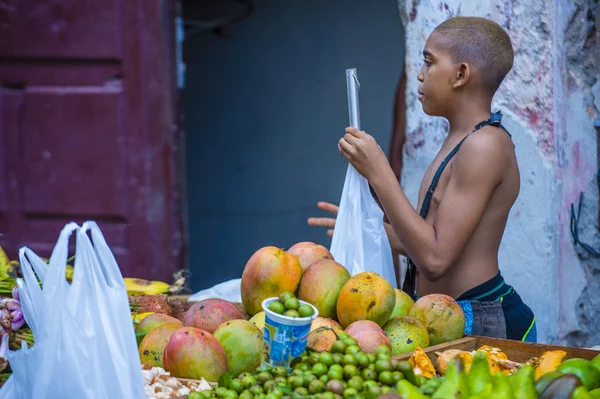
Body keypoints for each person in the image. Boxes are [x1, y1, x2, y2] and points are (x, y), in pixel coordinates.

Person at [308, 16, 536, 342]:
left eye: (429, 62)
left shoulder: (485, 145)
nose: (419, 73)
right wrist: (370, 228)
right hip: (437, 317)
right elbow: (429, 241)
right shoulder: (461, 140)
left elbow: (435, 259)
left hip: (478, 318)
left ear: (460, 74)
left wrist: (379, 172)